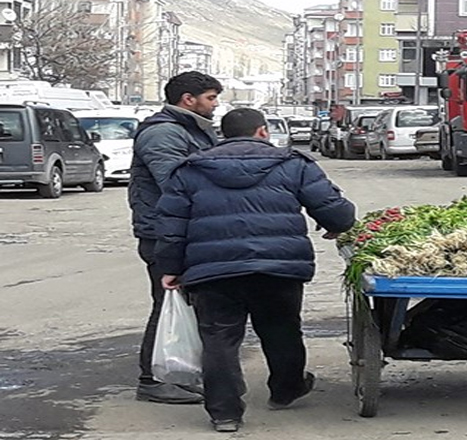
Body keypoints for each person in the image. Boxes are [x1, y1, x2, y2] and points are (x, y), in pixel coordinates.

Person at [154, 108, 356, 432]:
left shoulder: (190, 169)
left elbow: (171, 225)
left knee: (219, 338)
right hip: (278, 265)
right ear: (262, 131)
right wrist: (338, 224)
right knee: (282, 329)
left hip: (214, 269)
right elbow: (334, 209)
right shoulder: (292, 164)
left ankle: (225, 413)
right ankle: (286, 390)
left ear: (223, 134)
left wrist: (171, 268)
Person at [128, 71, 223, 405]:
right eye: (211, 98)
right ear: (188, 99)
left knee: (185, 305)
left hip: (184, 229)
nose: (215, 105)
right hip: (165, 233)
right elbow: (176, 182)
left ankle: (178, 373)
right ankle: (153, 379)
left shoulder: (189, 129)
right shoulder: (163, 133)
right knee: (167, 303)